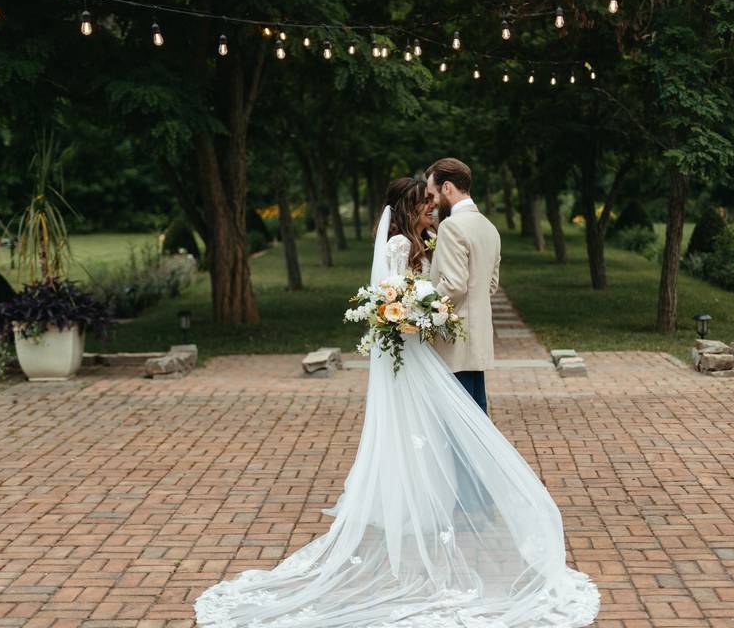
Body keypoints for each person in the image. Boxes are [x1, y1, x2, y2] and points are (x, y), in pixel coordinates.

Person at [194, 175, 599, 628]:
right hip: (414, 346)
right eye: (424, 202)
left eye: (431, 200)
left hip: (421, 344)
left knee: (436, 426)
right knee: (439, 424)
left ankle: (438, 504)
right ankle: (430, 506)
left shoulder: (425, 237)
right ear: (408, 206)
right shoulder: (402, 243)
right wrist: (417, 312)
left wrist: (421, 311)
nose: (431, 207)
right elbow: (401, 290)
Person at [426, 158, 500, 415]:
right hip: (478, 337)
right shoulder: (489, 227)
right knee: (477, 415)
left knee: (460, 420)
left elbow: (455, 285)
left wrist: (422, 306)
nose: (432, 202)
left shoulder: (451, 226)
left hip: (455, 339)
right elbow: (491, 285)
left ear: (447, 187)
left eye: (432, 194)